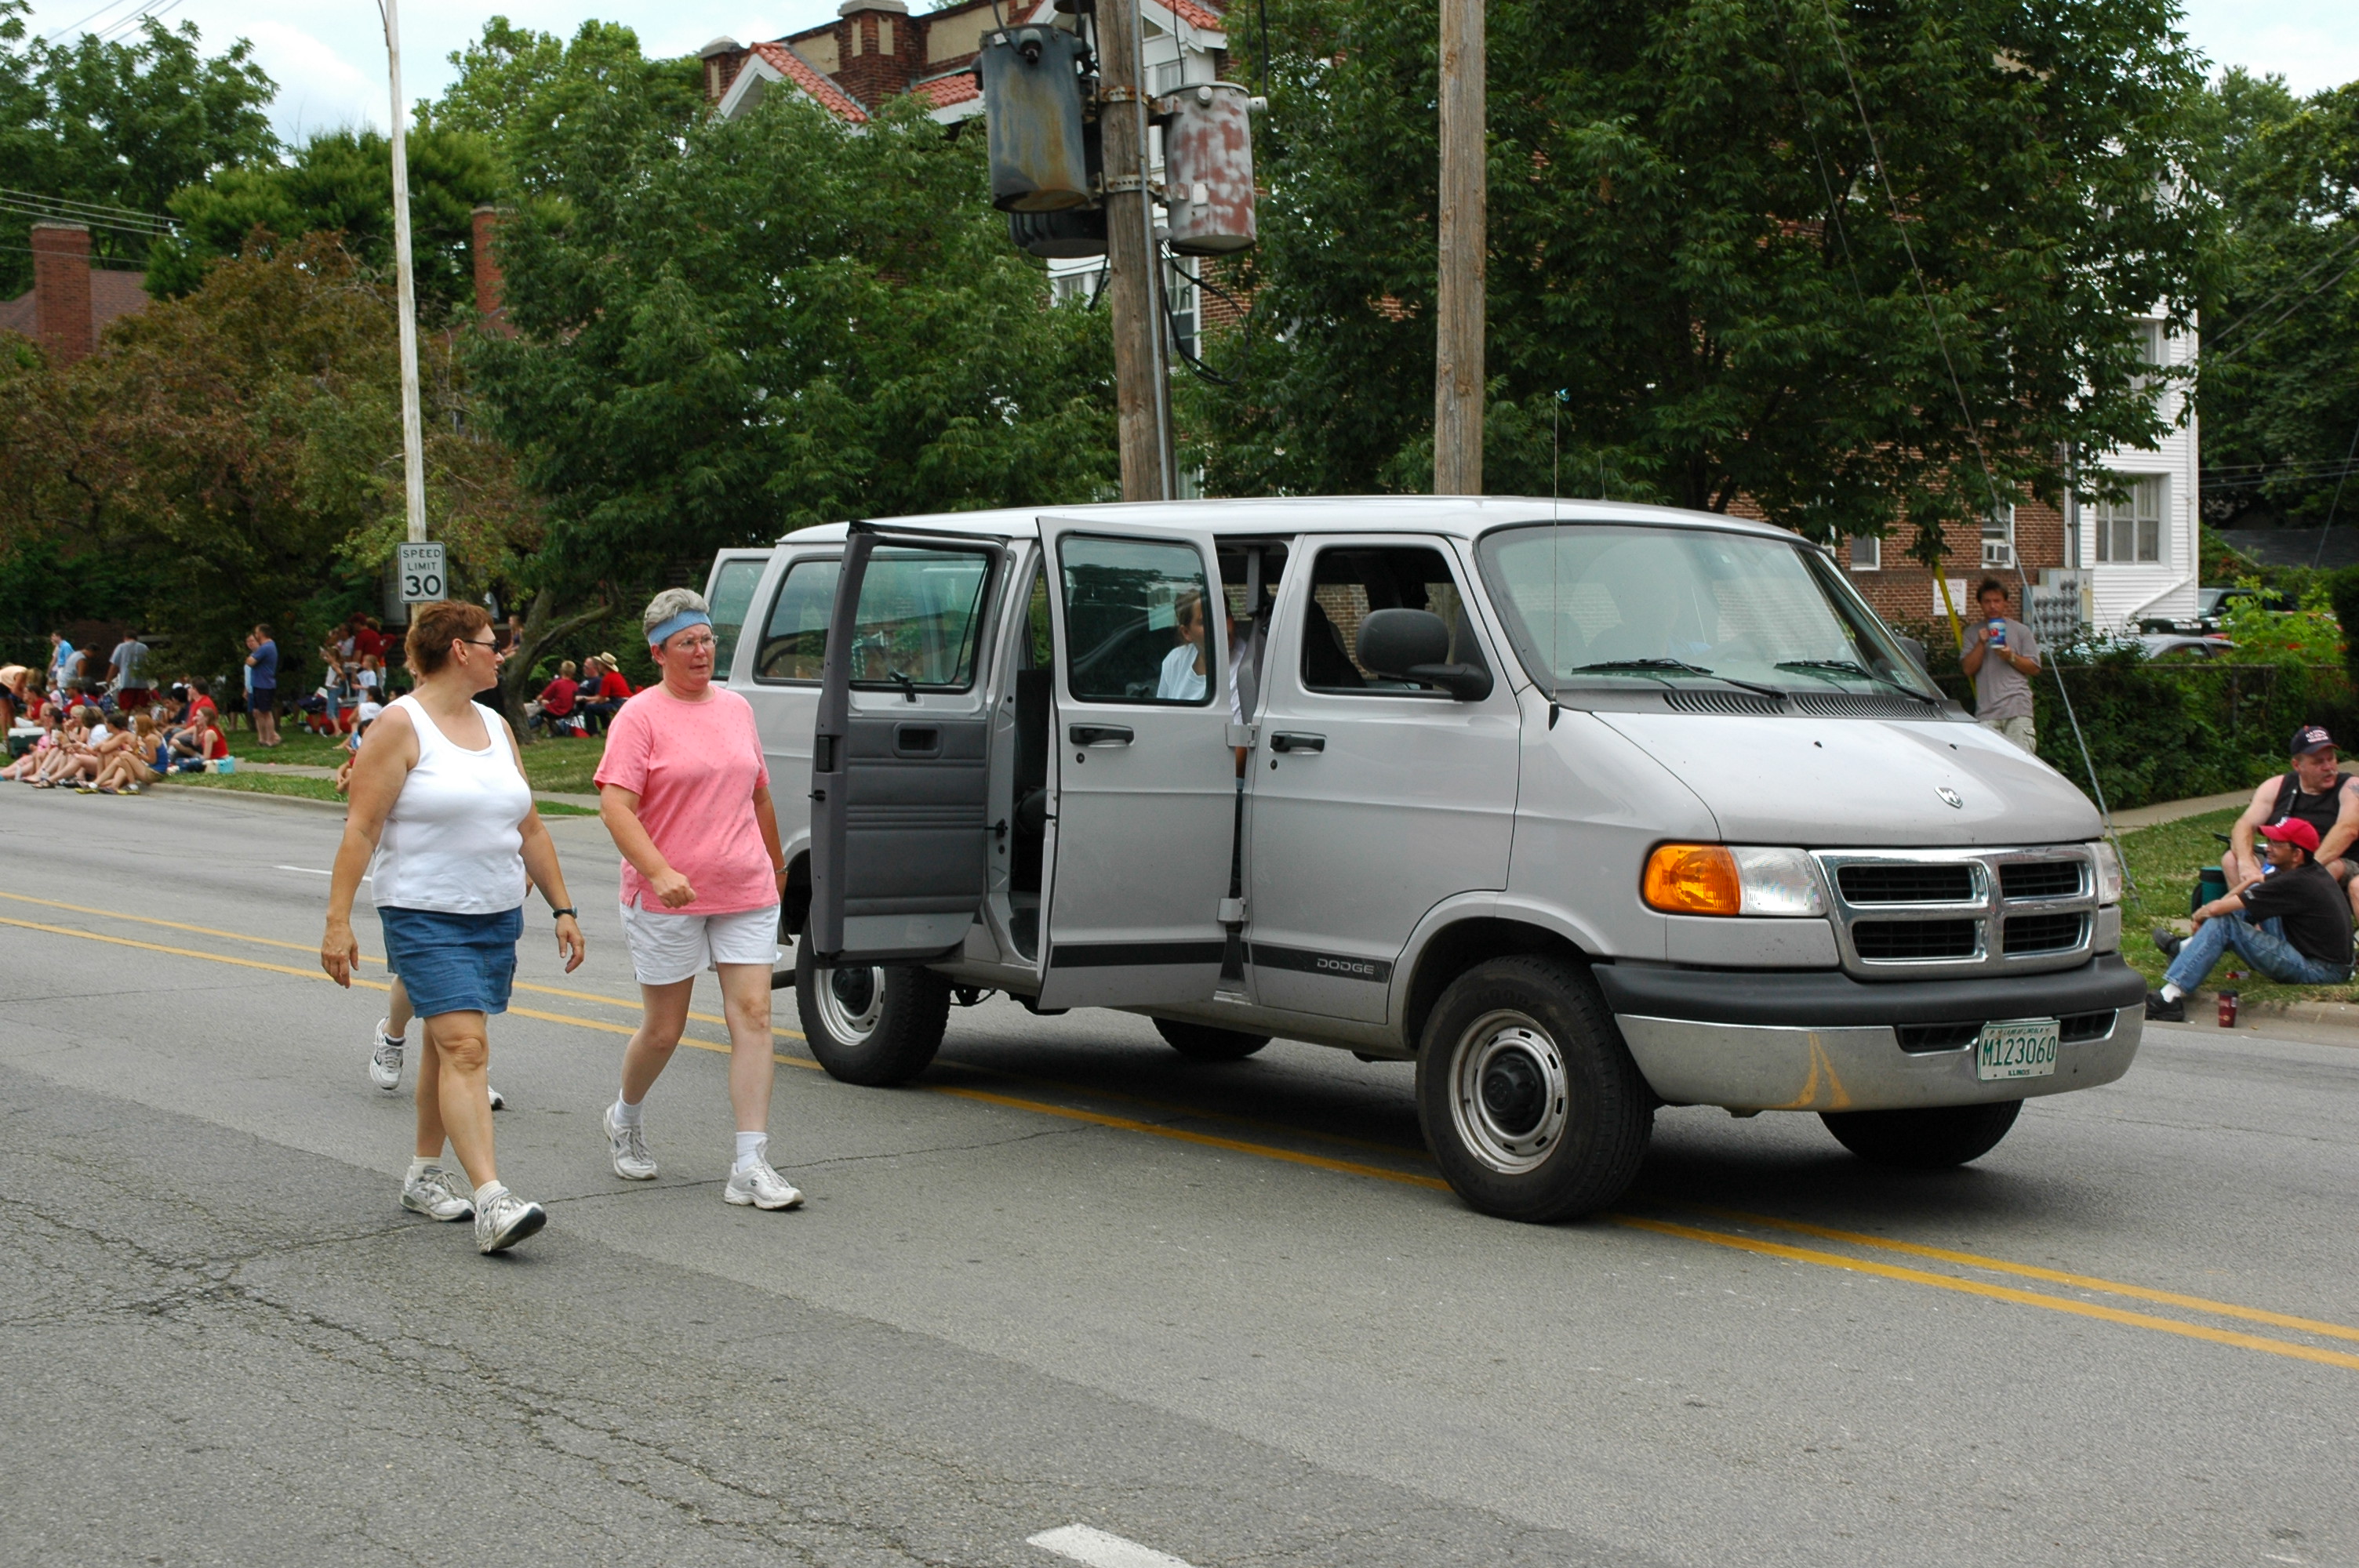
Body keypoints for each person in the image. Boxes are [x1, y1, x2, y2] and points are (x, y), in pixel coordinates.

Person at [320, 600, 585, 1254]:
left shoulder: (496, 724)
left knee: (446, 1050)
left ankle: (423, 1175)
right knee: (466, 1047)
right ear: (460, 651)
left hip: (493, 914)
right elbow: (361, 829)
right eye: (494, 643)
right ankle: (493, 1200)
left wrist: (563, 908)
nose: (503, 654)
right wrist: (337, 921)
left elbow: (530, 826)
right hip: (422, 913)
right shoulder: (400, 725)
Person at [593, 587, 802, 1210]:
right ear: (660, 652)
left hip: (743, 887)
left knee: (754, 1016)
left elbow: (759, 794)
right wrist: (658, 871)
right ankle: (625, 1116)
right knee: (664, 1030)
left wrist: (777, 867)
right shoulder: (639, 717)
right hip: (668, 897)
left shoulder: (736, 709)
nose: (702, 651)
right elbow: (615, 807)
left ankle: (749, 1164)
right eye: (687, 642)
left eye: (708, 639)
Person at [2147, 817, 2354, 1020]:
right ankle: (2186, 948)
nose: (2267, 848)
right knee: (2249, 897)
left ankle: (2169, 999)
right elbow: (2252, 887)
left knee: (2225, 924)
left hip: (2319, 970)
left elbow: (2218, 908)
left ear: (2297, 854)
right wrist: (2251, 882)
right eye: (2269, 841)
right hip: (2321, 958)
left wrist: (2200, 914)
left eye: (2277, 844)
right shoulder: (2305, 870)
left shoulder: (2296, 882)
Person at [1959, 579, 2039, 754]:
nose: (1992, 606)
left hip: (2018, 708)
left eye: (1997, 601)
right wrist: (1981, 643)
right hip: (1987, 712)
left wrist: (2010, 656)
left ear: (2005, 603)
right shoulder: (1972, 633)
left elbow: (2034, 668)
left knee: (2021, 762)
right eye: (1987, 601)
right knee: (1991, 764)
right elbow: (1968, 669)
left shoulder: (2021, 631)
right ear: (1980, 604)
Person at [245, 622, 282, 748]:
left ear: (261, 633)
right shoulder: (265, 647)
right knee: (257, 712)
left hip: (265, 684)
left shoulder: (266, 647)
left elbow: (250, 662)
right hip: (258, 684)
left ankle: (271, 739)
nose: (256, 635)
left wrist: (250, 658)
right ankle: (262, 738)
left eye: (257, 632)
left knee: (266, 712)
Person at [530, 660, 581, 735]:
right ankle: (552, 732)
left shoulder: (557, 683)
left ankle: (529, 728)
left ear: (561, 670)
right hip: (569, 711)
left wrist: (540, 700)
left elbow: (541, 697)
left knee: (533, 709)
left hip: (555, 711)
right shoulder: (575, 685)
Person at [107, 629, 151, 712]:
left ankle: (126, 720)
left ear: (125, 637)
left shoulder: (121, 647)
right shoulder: (144, 647)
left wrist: (109, 678)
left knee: (126, 709)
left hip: (126, 683)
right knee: (143, 709)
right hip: (142, 684)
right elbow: (149, 664)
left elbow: (114, 665)